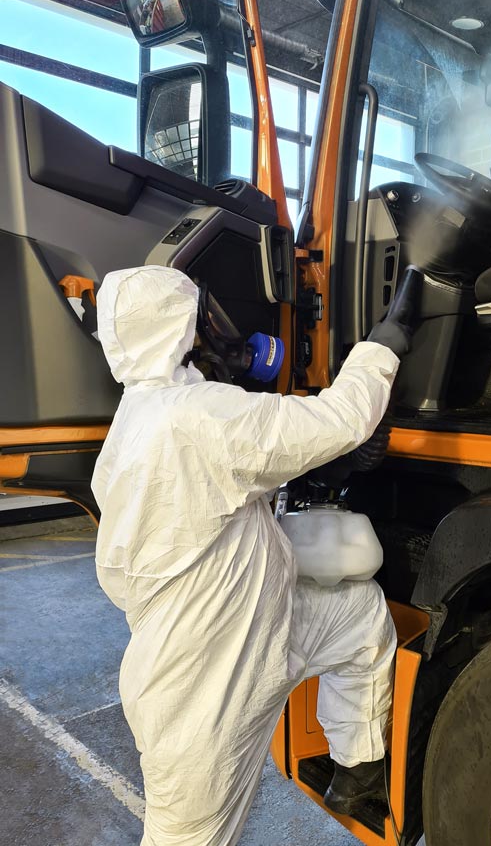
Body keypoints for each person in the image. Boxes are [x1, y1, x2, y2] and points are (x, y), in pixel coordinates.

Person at [92, 264, 414, 846]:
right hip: (200, 684)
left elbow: (233, 477)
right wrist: (379, 351)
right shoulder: (196, 416)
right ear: (178, 332)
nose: (213, 332)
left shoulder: (138, 421)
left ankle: (357, 770)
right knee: (189, 835)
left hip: (255, 631)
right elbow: (338, 419)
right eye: (200, 321)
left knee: (361, 618)